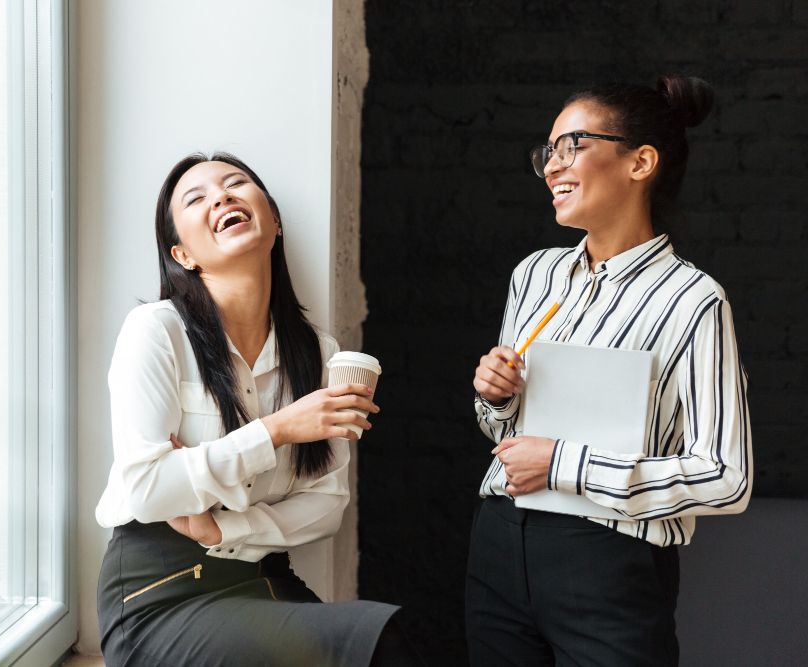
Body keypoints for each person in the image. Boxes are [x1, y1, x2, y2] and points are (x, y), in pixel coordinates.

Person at [95, 153, 425, 667]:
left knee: (382, 639)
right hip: (158, 593)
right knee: (377, 641)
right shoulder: (156, 331)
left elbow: (327, 501)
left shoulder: (319, 352)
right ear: (182, 254)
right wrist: (276, 430)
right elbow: (145, 488)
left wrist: (223, 529)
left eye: (235, 184)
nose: (222, 197)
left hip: (264, 580)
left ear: (273, 221)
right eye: (197, 197)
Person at [467, 75, 752, 667]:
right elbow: (504, 437)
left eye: (571, 145)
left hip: (607, 560)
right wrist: (496, 400)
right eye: (547, 152)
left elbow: (727, 477)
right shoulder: (536, 276)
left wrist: (562, 463)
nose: (551, 167)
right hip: (498, 541)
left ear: (640, 161)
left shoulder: (692, 299)